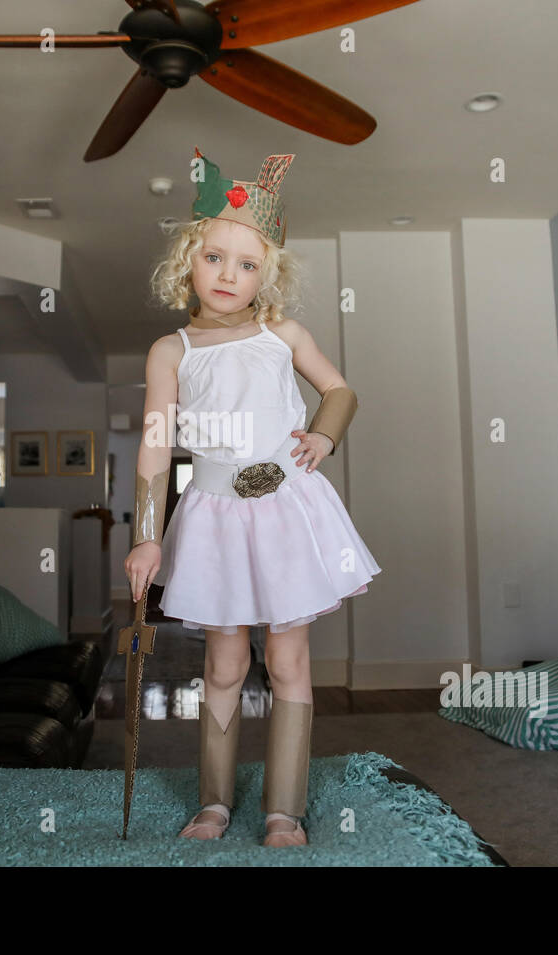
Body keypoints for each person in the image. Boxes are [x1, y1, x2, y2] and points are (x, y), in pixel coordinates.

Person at [124, 147, 381, 848]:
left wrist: (324, 438)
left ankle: (283, 810)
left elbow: (341, 390)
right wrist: (147, 534)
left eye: (246, 263)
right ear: (188, 261)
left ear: (267, 272)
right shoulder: (169, 350)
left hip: (285, 509)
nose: (229, 275)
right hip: (211, 517)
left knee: (290, 659)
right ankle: (212, 804)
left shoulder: (283, 335)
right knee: (223, 663)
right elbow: (154, 441)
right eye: (214, 258)